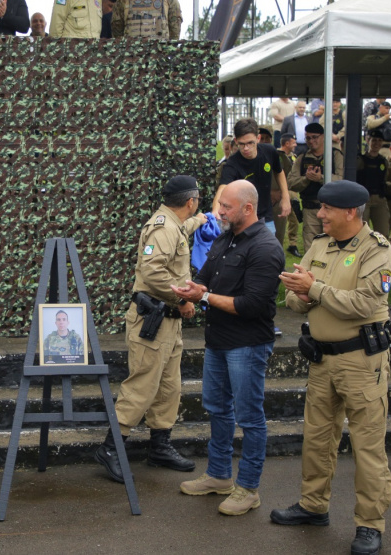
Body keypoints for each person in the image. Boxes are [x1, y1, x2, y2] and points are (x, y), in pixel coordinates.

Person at [274, 180, 391, 555]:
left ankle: (370, 525)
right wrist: (306, 292)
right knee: (317, 437)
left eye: (326, 209)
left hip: (361, 361)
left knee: (367, 445)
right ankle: (313, 505)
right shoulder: (319, 245)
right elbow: (293, 298)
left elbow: (361, 304)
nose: (319, 214)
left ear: (350, 213)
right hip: (322, 359)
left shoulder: (378, 252)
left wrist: (315, 289)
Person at [173, 181, 283, 516]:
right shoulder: (225, 238)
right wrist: (191, 288)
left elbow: (251, 305)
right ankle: (219, 475)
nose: (219, 212)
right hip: (218, 341)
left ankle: (248, 488)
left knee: (250, 417)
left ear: (248, 208)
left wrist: (202, 297)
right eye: (220, 206)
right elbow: (205, 278)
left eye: (226, 207)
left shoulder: (266, 247)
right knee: (218, 408)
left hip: (247, 345)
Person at [94, 175, 206, 482]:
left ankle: (160, 446)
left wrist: (202, 219)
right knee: (142, 385)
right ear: (190, 201)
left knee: (169, 387)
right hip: (154, 319)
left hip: (169, 322)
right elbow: (152, 270)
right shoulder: (163, 227)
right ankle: (111, 448)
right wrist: (181, 297)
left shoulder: (174, 223)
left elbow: (184, 230)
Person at [216, 118, 291, 236]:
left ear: (258, 138)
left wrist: (285, 197)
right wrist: (216, 210)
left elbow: (279, 172)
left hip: (266, 217)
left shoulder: (269, 151)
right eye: (241, 144)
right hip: (241, 219)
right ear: (236, 141)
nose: (246, 148)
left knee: (267, 250)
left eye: (250, 143)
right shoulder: (231, 164)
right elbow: (222, 188)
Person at [288, 122, 345, 252]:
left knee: (334, 247)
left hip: (333, 209)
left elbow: (343, 180)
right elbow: (291, 182)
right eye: (308, 138)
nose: (311, 141)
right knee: (311, 248)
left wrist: (322, 179)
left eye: (315, 137)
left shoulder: (335, 155)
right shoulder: (302, 158)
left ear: (323, 137)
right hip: (310, 209)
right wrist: (306, 179)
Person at [357, 130, 391, 237]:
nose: (376, 143)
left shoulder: (383, 161)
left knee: (383, 233)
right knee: (362, 232)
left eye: (379, 141)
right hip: (364, 199)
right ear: (368, 140)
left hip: (379, 198)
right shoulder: (361, 160)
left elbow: (385, 179)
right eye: (374, 140)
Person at [275, 133, 301, 257]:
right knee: (280, 221)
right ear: (286, 144)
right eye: (293, 142)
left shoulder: (294, 157)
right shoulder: (276, 156)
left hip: (292, 192)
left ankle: (293, 244)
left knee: (294, 220)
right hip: (280, 192)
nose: (295, 144)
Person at [110, 0, 180, 39]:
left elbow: (117, 32)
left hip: (132, 58)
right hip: (158, 57)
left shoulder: (122, 2)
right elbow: (175, 31)